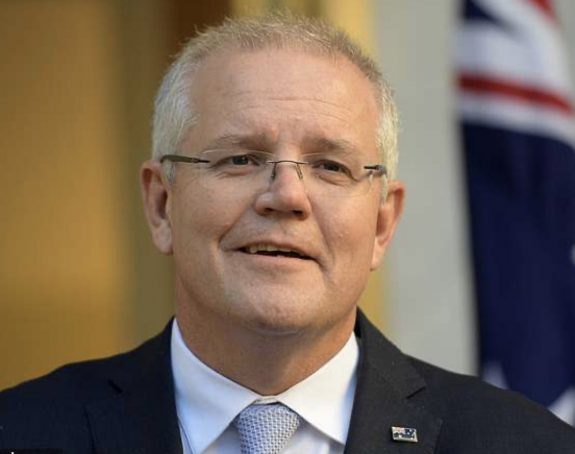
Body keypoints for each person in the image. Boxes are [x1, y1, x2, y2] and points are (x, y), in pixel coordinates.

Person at [0, 14, 574, 454]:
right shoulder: (21, 433)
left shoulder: (527, 445)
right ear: (160, 204)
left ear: (382, 223)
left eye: (330, 166)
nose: (287, 196)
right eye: (241, 159)